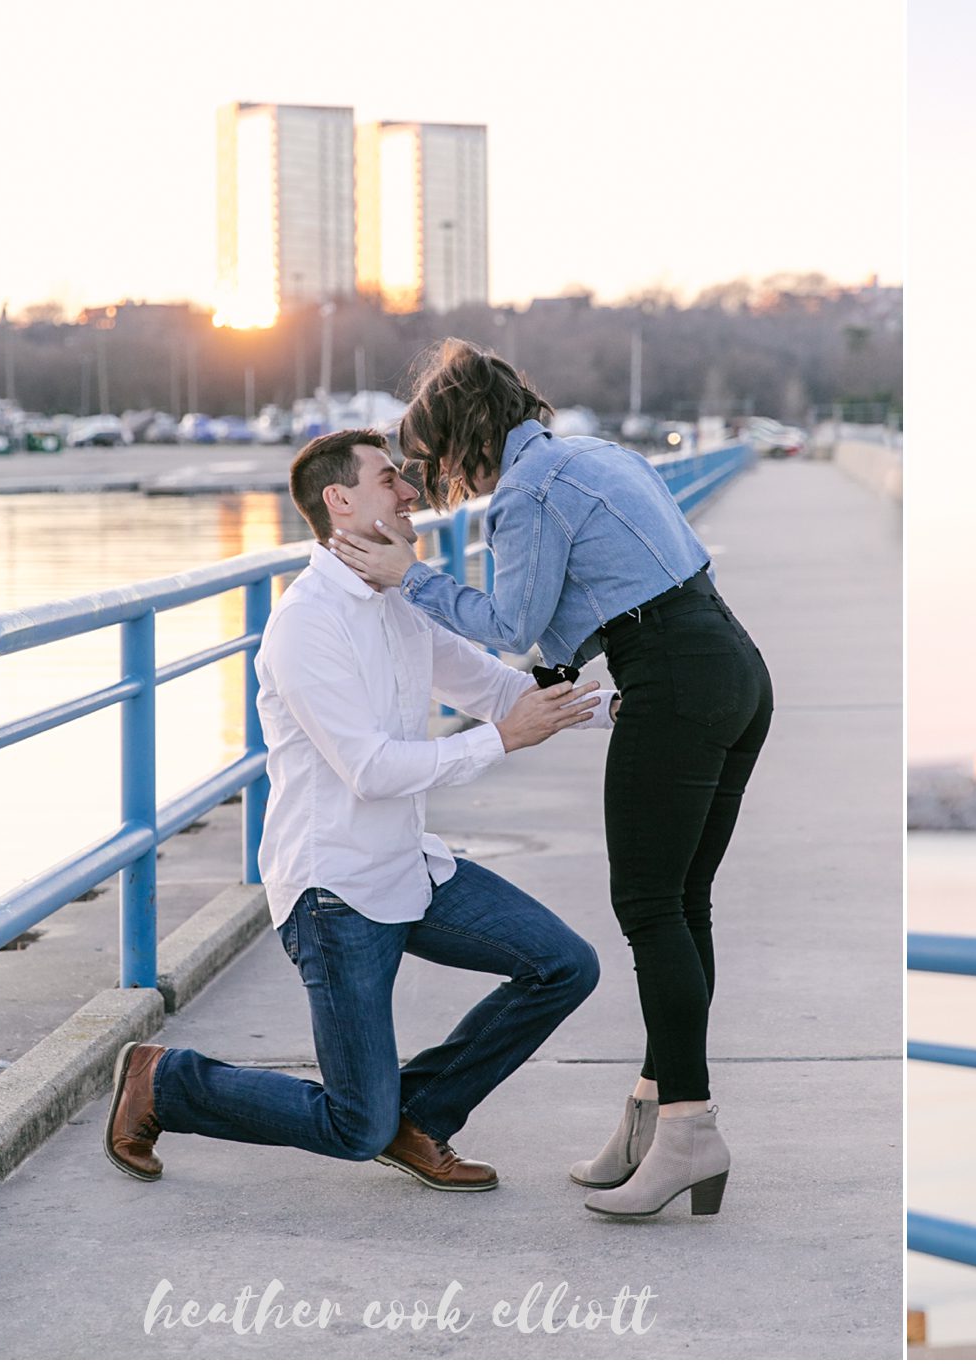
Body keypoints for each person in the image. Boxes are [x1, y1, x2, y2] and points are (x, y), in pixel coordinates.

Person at [329, 339, 772, 1219]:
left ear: (463, 438)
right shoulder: (599, 455)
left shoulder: (527, 496)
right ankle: (654, 1111)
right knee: (682, 905)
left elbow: (511, 626)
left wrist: (410, 577)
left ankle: (690, 1129)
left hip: (675, 679)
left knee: (651, 910)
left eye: (435, 458)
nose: (435, 478)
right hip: (734, 665)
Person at [104, 429, 609, 1192]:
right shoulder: (307, 624)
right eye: (389, 480)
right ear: (339, 501)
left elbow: (495, 689)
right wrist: (500, 743)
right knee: (353, 1126)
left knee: (563, 966)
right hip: (334, 891)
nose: (411, 494)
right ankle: (165, 1083)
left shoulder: (398, 602)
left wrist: (626, 708)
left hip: (408, 865)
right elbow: (370, 770)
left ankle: (423, 1115)